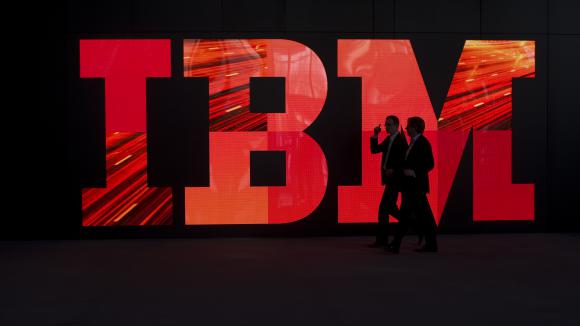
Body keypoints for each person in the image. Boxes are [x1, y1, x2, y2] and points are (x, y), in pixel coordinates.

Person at [388, 116, 438, 253]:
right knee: (408, 216)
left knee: (421, 217)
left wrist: (414, 172)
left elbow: (430, 164)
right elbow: (407, 162)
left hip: (417, 187)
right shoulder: (413, 143)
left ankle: (398, 244)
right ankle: (396, 244)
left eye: (409, 126)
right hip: (410, 187)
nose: (406, 128)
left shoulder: (423, 143)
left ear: (415, 127)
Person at [368, 116, 408, 248]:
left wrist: (394, 171)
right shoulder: (390, 139)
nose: (386, 127)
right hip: (390, 180)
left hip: (395, 180)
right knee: (387, 209)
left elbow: (403, 161)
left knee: (384, 209)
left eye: (389, 125)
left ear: (396, 125)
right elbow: (375, 150)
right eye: (386, 125)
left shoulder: (400, 140)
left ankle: (383, 240)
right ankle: (414, 224)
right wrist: (375, 135)